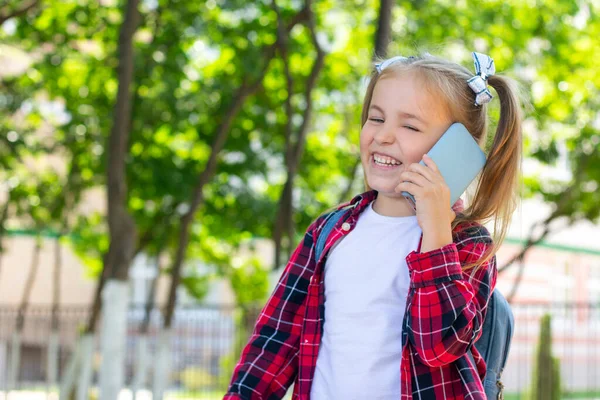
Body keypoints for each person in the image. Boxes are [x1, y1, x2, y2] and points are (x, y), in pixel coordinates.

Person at [224, 51, 523, 400]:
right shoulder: (328, 232)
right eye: (375, 118)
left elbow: (439, 347)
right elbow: (276, 339)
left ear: (456, 150)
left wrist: (437, 231)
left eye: (409, 126)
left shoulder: (467, 245)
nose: (382, 136)